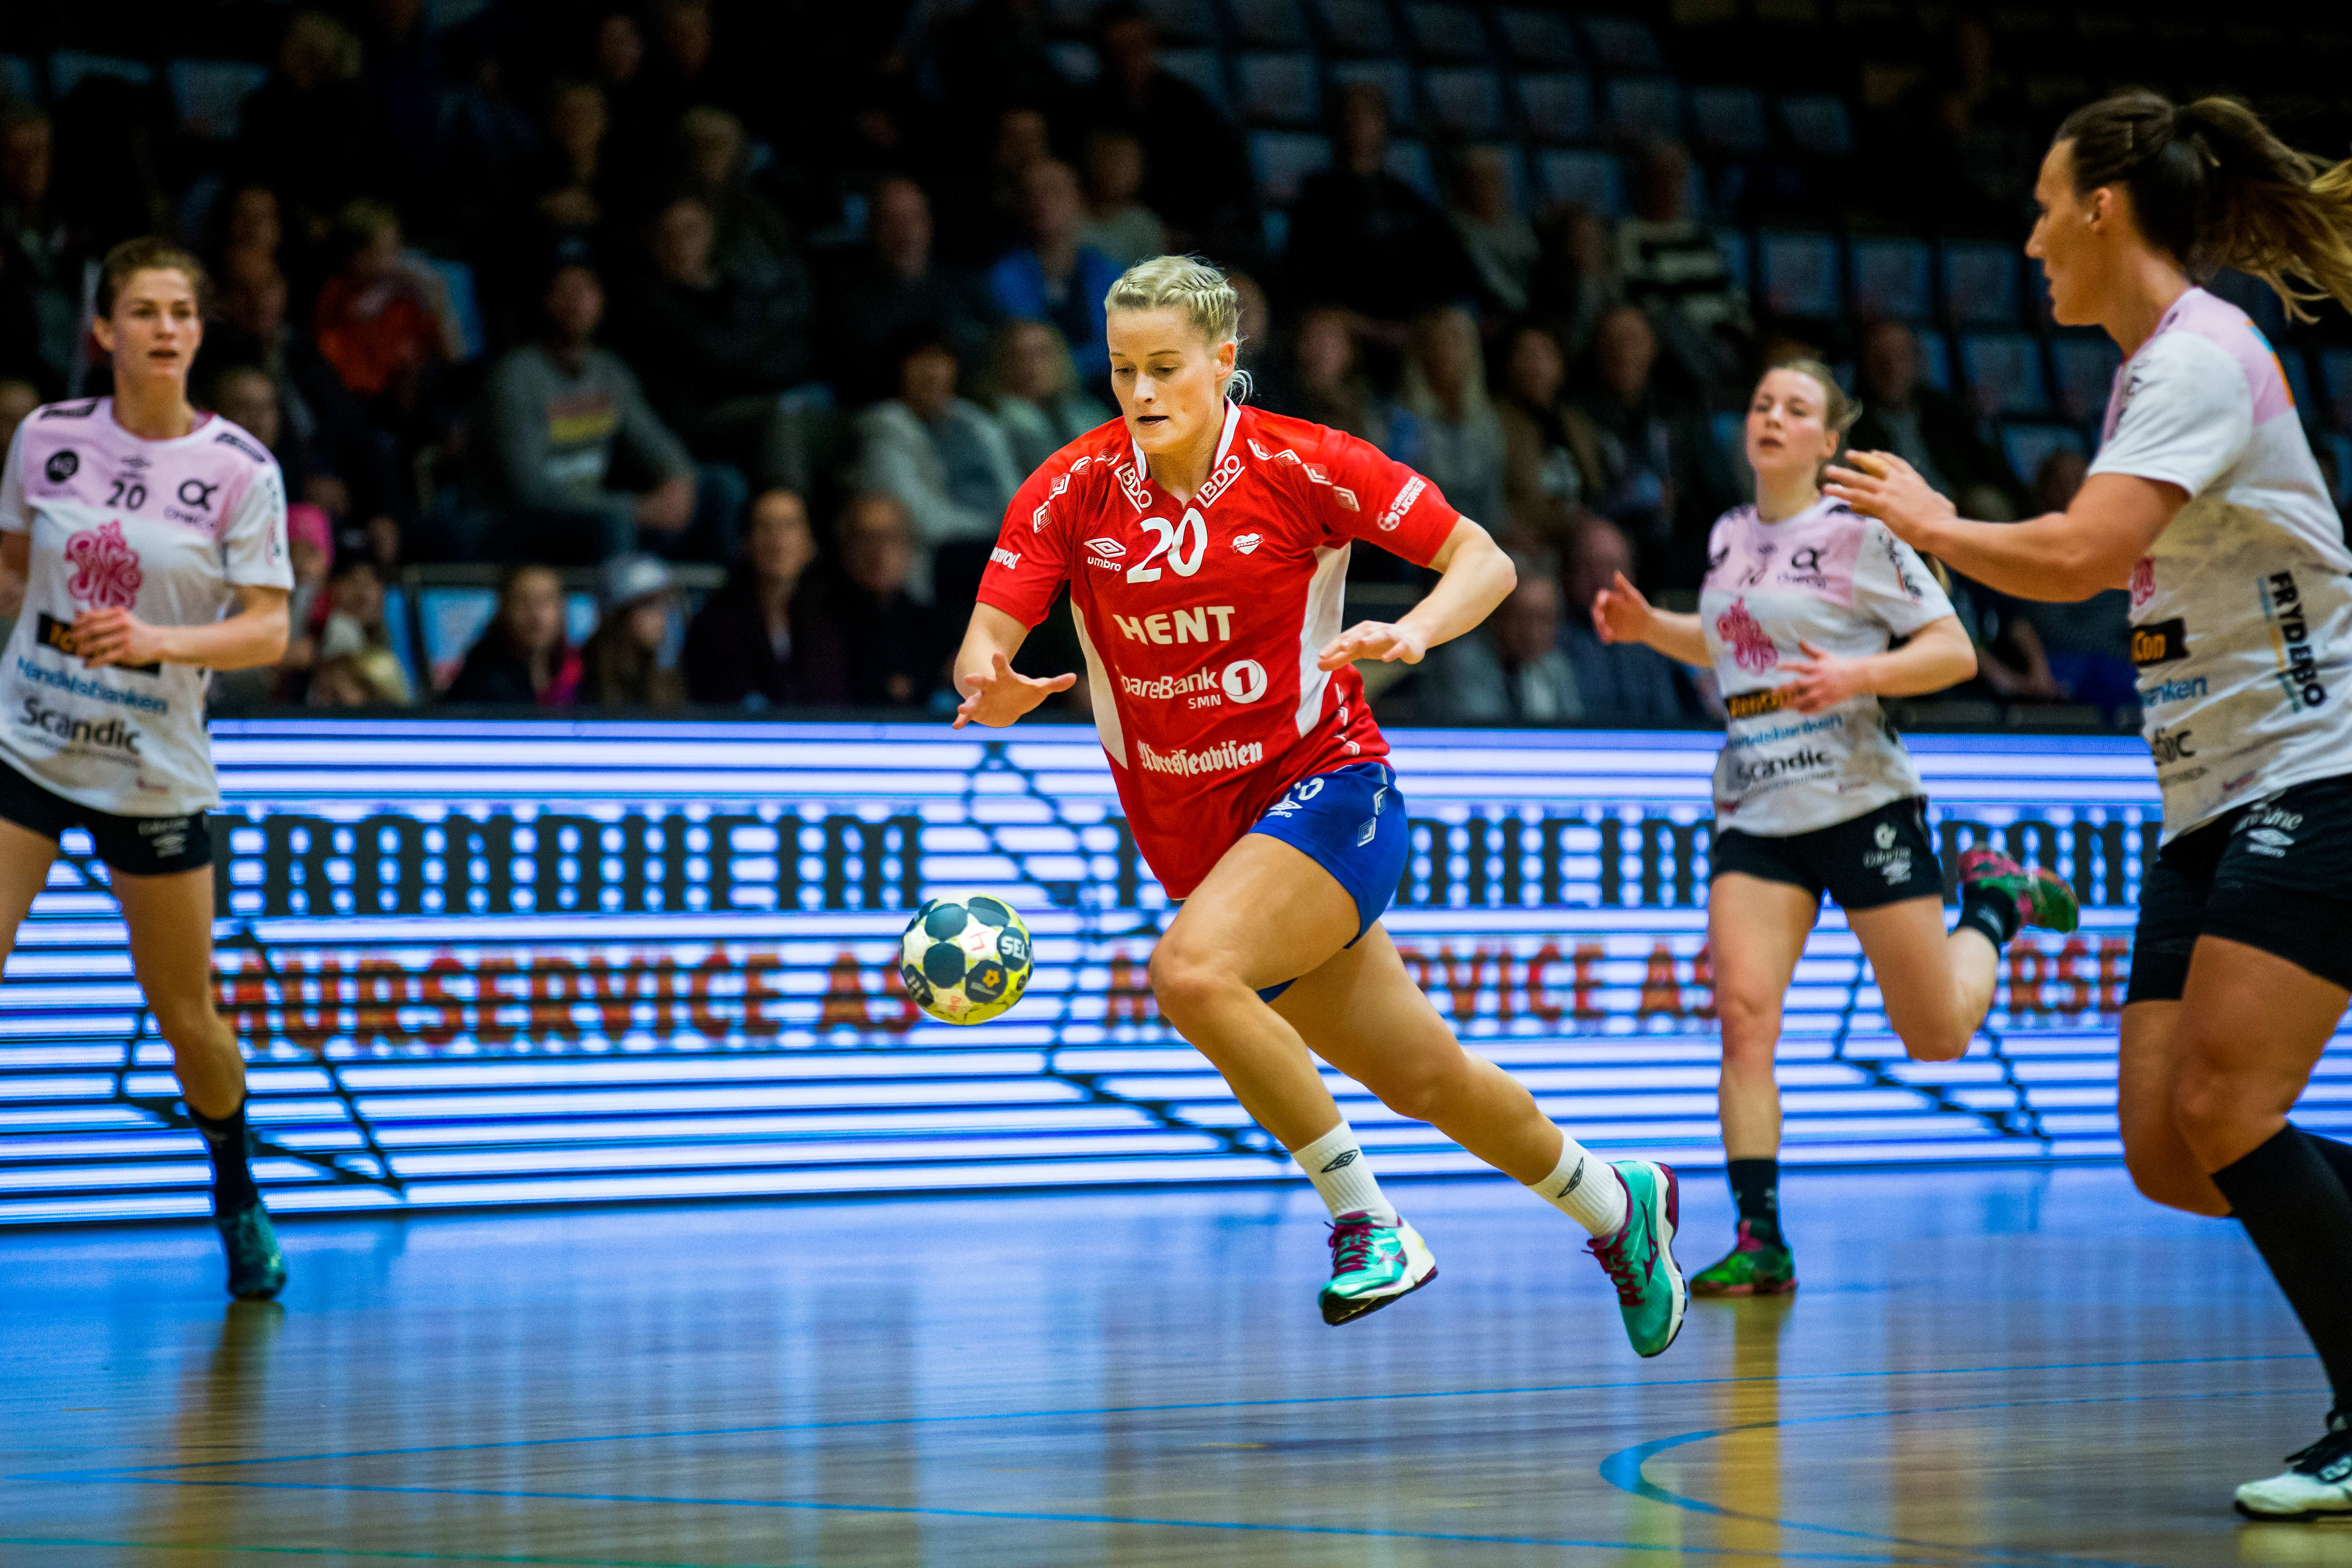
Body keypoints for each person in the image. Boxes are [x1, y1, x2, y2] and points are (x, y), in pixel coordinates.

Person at [956, 255, 1689, 1356]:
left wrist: (1417, 629)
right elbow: (984, 641)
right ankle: (1618, 1204)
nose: (1142, 392)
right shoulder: (1073, 487)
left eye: (1166, 367)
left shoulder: (1304, 464)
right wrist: (994, 682)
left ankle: (1368, 1222)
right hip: (1206, 847)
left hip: (1332, 791)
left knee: (1188, 974)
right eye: (1122, 369)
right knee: (1425, 1076)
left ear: (1224, 363)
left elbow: (1483, 561)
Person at [1820, 91, 2352, 1520]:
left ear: (2102, 208)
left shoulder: (2199, 355)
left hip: (2318, 769)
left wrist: (1929, 520)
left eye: (2044, 205)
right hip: (2207, 798)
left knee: (2226, 1105)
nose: (2029, 237)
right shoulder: (2145, 374)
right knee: (2172, 1149)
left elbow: (2076, 555)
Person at [1595, 358, 2079, 1298]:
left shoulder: (1860, 535)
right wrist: (1650, 626)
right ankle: (1760, 1238)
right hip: (1756, 809)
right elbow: (1730, 645)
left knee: (1936, 1036)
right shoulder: (1730, 533)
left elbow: (1952, 650)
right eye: (1761, 403)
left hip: (1861, 801)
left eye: (1796, 408)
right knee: (1744, 1020)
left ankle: (1994, 905)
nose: (1772, 416)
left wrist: (1858, 675)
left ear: (1827, 441)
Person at [0, 239, 294, 1297]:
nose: (166, 327)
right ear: (104, 330)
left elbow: (268, 629)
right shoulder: (46, 437)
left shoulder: (241, 469)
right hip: (30, 741)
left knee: (185, 1016)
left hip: (153, 771)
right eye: (144, 310)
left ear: (199, 333)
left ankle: (237, 1191)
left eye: (182, 311)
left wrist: (159, 640)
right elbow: (13, 567)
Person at [472, 261, 741, 566]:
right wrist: (635, 509)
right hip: (519, 524)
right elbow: (531, 492)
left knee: (720, 486)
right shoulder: (515, 378)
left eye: (587, 289)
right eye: (565, 291)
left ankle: (717, 593)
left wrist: (679, 479)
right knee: (613, 522)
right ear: (544, 301)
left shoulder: (608, 372)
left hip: (595, 516)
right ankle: (623, 598)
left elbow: (655, 442)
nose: (577, 301)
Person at [622, 194, 817, 494]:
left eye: (691, 230)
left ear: (711, 234)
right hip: (689, 423)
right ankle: (784, 515)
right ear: (655, 244)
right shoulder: (650, 302)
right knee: (781, 413)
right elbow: (723, 357)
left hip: (754, 400)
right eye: (669, 234)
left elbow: (795, 352)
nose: (681, 243)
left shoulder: (736, 287)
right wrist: (763, 353)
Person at [854, 327, 1022, 603]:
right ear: (899, 370)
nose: (932, 372)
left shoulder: (978, 423)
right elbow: (914, 515)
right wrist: (993, 534)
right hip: (940, 554)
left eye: (941, 361)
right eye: (920, 361)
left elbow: (1015, 492)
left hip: (1000, 543)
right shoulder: (884, 428)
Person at [1286, 84, 1474, 329]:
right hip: (1346, 328)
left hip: (1411, 330)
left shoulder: (1409, 202)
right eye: (1350, 114)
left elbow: (1452, 272)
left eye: (1368, 114)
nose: (1357, 123)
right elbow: (1304, 279)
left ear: (1384, 125)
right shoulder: (1316, 198)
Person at [821, 177, 996, 406]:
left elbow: (994, 356)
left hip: (966, 406)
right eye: (891, 221)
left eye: (913, 219)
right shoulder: (849, 304)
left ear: (929, 224)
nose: (905, 232)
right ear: (873, 229)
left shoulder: (966, 287)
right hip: (888, 412)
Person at [682, 488, 842, 706]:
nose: (778, 540)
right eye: (765, 526)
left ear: (810, 543)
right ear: (746, 542)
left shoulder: (838, 619)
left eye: (789, 526)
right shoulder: (714, 624)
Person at [1847, 320, 2016, 523]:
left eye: (1901, 356)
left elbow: (1989, 467)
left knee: (1987, 503)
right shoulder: (1852, 421)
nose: (1892, 368)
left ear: (1917, 362)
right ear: (1864, 365)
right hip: (1896, 513)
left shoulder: (1942, 410)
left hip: (1956, 509)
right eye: (1880, 358)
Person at [987, 160, 1121, 387]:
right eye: (1032, 195)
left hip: (1105, 389)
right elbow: (1031, 355)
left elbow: (1117, 346)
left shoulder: (1105, 270)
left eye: (1054, 191)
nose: (1043, 202)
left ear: (1079, 200)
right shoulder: (1006, 275)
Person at [1390, 306, 1508, 555]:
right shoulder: (1401, 419)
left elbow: (1493, 499)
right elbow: (1403, 496)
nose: (1445, 350)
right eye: (1437, 341)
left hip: (1482, 539)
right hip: (1422, 543)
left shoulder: (1487, 420)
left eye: (1455, 341)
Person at [1558, 515, 1694, 723]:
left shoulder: (1652, 644)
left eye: (1612, 568)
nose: (1601, 579)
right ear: (1568, 574)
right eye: (1589, 567)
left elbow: (1671, 722)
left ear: (1631, 576)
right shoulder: (1552, 642)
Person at [1424, 566, 1580, 721]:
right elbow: (1487, 730)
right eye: (1522, 618)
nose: (1533, 632)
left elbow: (1575, 727)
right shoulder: (1464, 660)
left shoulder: (1555, 664)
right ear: (1498, 617)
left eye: (1545, 619)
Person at [979, 319, 1115, 476]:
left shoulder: (1089, 415)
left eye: (1043, 353)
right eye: (1021, 356)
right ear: (1001, 364)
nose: (1034, 365)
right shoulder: (992, 425)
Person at [442, 563, 578, 704]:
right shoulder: (481, 683)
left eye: (547, 600)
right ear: (504, 608)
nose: (537, 616)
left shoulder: (579, 672)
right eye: (524, 602)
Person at [580, 553, 685, 709]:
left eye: (665, 604)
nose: (662, 617)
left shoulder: (666, 675)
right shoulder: (581, 676)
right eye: (649, 605)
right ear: (618, 616)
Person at [1448, 145, 1539, 315]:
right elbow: (1496, 286)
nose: (1490, 189)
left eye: (1495, 179)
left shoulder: (1520, 228)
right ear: (1465, 185)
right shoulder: (1458, 232)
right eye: (1480, 181)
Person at [1076, 129, 1167, 269]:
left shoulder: (1145, 225)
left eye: (1126, 164)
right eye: (1110, 161)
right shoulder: (1069, 218)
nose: (1116, 171)